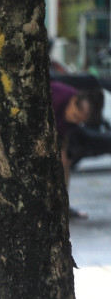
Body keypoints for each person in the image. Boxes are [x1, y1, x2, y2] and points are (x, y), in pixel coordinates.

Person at [51, 80, 102, 219]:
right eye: (75, 116)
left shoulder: (73, 121)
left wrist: (62, 152)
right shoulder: (57, 96)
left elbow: (65, 135)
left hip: (58, 135)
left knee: (65, 163)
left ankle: (62, 204)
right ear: (73, 101)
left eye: (79, 121)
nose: (75, 121)